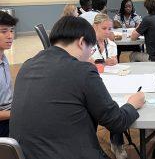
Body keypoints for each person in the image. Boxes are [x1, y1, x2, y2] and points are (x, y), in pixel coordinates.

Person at [10, 16, 145, 159]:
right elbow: (116, 122)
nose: (89, 55)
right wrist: (132, 103)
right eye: (91, 49)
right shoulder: (83, 70)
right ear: (81, 42)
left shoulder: (27, 65)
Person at [0, 11, 18, 137]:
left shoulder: (3, 57)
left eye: (11, 30)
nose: (10, 35)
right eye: (3, 31)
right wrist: (17, 113)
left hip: (9, 111)